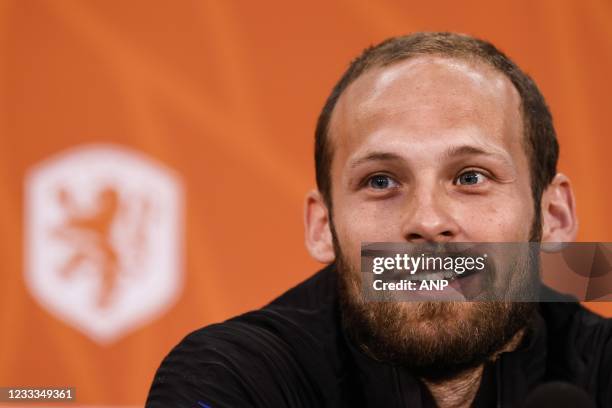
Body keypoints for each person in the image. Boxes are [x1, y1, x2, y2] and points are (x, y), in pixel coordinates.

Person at [146, 32, 611, 407]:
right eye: (381, 182)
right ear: (322, 227)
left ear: (554, 217)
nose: (427, 221)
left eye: (471, 177)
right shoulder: (237, 376)